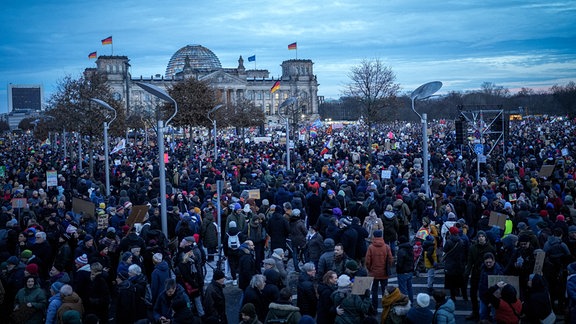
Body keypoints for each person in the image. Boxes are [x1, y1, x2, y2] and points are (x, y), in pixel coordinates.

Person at [464, 230, 495, 320]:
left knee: (487, 293)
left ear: (485, 237)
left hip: (487, 273)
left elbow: (494, 261)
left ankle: (486, 313)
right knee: (473, 293)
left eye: (482, 236)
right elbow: (470, 261)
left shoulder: (491, 248)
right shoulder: (473, 248)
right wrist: (467, 272)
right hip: (476, 273)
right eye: (479, 236)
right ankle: (475, 312)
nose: (481, 238)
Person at [365, 229, 393, 311]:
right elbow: (391, 259)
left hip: (374, 273)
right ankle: (386, 307)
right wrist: (388, 267)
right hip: (384, 273)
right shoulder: (386, 247)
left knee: (374, 291)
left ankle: (375, 308)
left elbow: (367, 261)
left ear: (374, 236)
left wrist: (370, 269)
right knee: (385, 291)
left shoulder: (371, 247)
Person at [395, 235, 414, 302]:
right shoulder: (410, 248)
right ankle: (411, 302)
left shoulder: (401, 250)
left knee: (403, 290)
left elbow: (400, 263)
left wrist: (397, 269)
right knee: (409, 288)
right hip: (410, 271)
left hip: (402, 272)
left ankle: (405, 303)